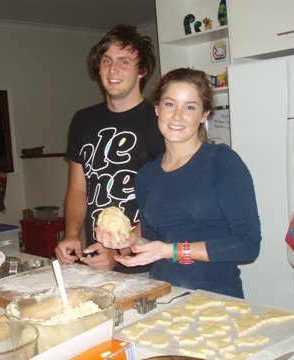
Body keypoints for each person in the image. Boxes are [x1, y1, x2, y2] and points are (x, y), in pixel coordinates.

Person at [96, 68, 261, 298]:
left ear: (204, 114)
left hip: (216, 298)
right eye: (170, 104)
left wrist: (171, 251)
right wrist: (129, 239)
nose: (177, 116)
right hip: (163, 296)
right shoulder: (147, 175)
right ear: (157, 108)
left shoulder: (222, 162)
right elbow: (155, 244)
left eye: (190, 107)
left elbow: (248, 245)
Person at [55, 24, 165, 271]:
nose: (113, 69)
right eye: (107, 61)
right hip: (99, 262)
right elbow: (77, 189)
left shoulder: (160, 121)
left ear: (142, 71)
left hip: (145, 266)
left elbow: (163, 202)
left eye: (124, 61)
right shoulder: (82, 120)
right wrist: (71, 234)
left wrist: (118, 250)